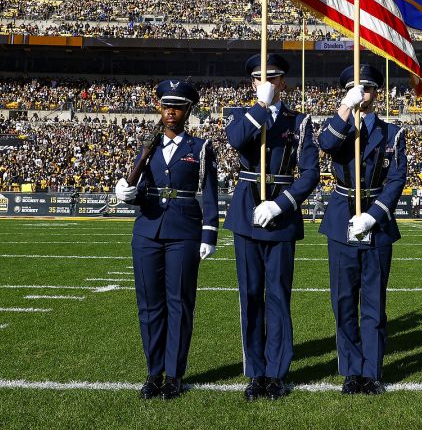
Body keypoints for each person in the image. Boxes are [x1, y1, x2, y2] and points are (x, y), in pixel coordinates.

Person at [114, 80, 218, 401]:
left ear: (188, 110)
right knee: (149, 306)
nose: (170, 112)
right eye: (165, 106)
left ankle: (174, 375)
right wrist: (126, 192)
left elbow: (211, 194)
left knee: (180, 304)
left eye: (177, 107)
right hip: (147, 229)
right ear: (159, 108)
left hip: (184, 230)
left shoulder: (200, 147)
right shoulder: (148, 144)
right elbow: (135, 187)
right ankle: (153, 373)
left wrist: (209, 232)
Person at [224, 54, 319, 401]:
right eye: (259, 78)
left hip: (281, 215)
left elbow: (309, 174)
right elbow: (237, 140)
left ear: (283, 82)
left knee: (278, 296)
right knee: (250, 295)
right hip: (247, 213)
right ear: (252, 83)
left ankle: (277, 372)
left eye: (273, 77)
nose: (266, 82)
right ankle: (255, 371)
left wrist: (281, 204)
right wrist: (260, 106)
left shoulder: (300, 121)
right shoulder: (241, 115)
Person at [317, 64, 408, 395]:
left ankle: (372, 371)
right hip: (342, 218)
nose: (364, 94)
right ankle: (351, 369)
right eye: (357, 88)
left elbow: (397, 178)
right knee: (343, 301)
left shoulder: (392, 133)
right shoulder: (339, 126)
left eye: (368, 88)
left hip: (377, 222)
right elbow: (326, 144)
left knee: (373, 302)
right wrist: (344, 108)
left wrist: (374, 215)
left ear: (376, 93)